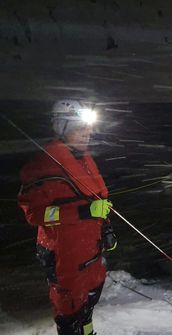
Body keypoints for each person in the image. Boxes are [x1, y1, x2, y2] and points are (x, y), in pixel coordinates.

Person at [17, 99, 117, 335]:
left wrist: (106, 228)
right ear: (62, 128)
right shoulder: (42, 166)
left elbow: (96, 199)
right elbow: (34, 214)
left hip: (88, 251)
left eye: (88, 128)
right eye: (79, 128)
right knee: (70, 311)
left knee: (87, 305)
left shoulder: (84, 160)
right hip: (64, 254)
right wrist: (81, 212)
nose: (88, 133)